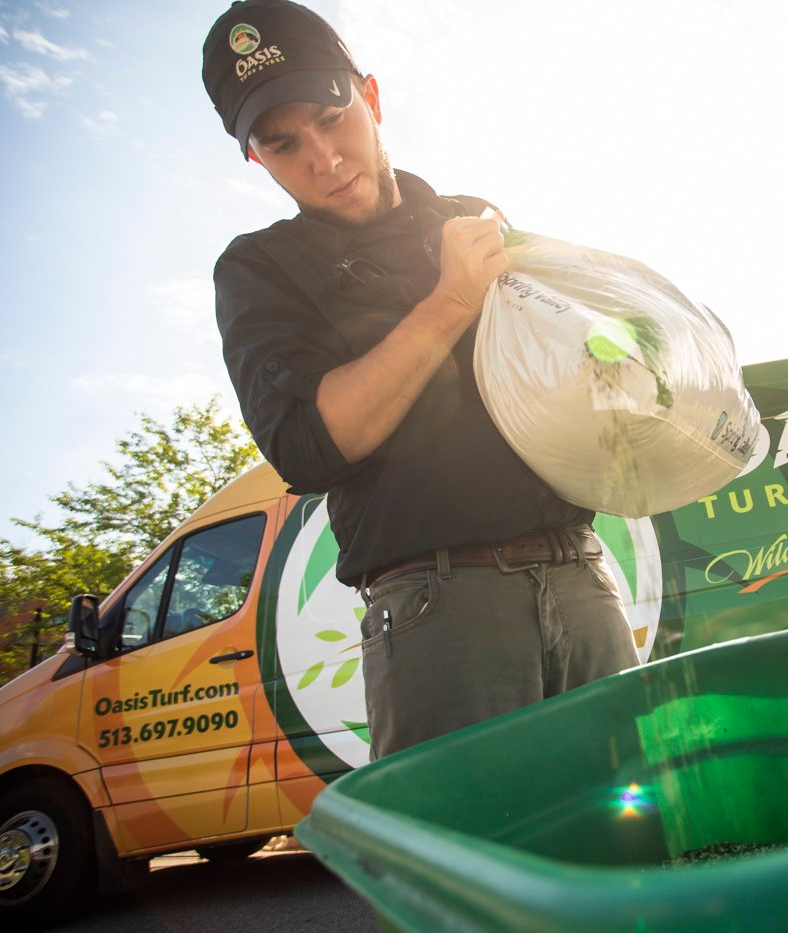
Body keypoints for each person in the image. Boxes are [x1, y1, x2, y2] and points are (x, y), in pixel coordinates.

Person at [201, 0, 640, 759]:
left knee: (639, 839)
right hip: (441, 607)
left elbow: (564, 366)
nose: (323, 157)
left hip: (581, 573)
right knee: (474, 855)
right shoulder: (258, 270)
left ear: (370, 98)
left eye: (332, 116)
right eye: (282, 143)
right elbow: (307, 447)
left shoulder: (472, 217)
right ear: (256, 159)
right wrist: (449, 305)